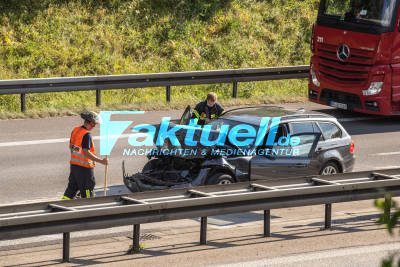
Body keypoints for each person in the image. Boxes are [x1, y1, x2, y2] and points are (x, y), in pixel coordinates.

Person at [62, 111, 108, 200]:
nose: (94, 127)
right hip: (85, 169)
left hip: (74, 166)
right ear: (90, 123)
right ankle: (88, 208)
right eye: (94, 124)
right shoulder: (86, 135)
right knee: (87, 191)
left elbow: (71, 147)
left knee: (71, 189)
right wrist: (101, 161)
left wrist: (78, 156)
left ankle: (62, 205)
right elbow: (86, 152)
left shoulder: (76, 130)